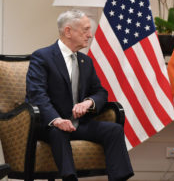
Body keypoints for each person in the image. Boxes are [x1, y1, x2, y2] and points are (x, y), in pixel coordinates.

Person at [26, 10, 134, 181]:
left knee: (114, 130)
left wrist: (88, 102)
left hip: (79, 124)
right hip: (51, 125)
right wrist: (57, 120)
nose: (90, 35)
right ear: (68, 31)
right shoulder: (43, 57)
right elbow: (37, 94)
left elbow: (100, 92)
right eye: (85, 30)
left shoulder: (85, 61)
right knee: (58, 133)